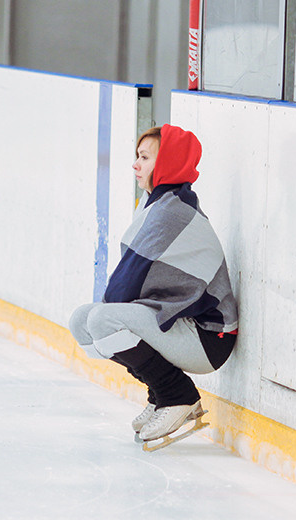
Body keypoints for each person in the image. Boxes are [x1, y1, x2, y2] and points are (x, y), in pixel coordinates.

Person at [69, 124, 238, 448]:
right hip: (183, 327)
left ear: (167, 163)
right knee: (83, 321)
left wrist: (111, 318)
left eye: (145, 157)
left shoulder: (172, 211)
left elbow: (124, 287)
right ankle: (161, 393)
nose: (136, 164)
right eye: (137, 156)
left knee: (102, 321)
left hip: (209, 338)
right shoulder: (158, 202)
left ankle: (178, 395)